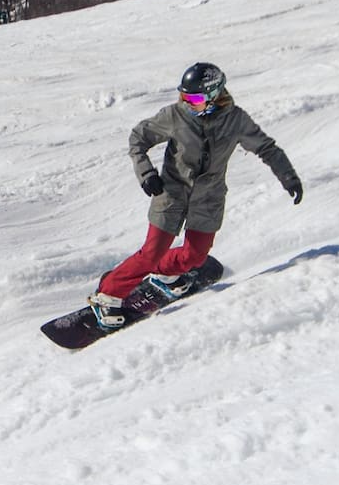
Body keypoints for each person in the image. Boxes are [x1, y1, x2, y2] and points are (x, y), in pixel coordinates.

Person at [88, 62, 303, 328]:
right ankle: (107, 294)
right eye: (184, 97)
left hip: (208, 198)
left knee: (195, 257)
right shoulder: (175, 116)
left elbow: (267, 149)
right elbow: (138, 139)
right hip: (171, 194)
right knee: (151, 253)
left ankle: (164, 273)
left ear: (214, 96)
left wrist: (288, 177)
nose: (188, 103)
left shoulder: (236, 121)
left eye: (195, 98)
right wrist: (146, 173)